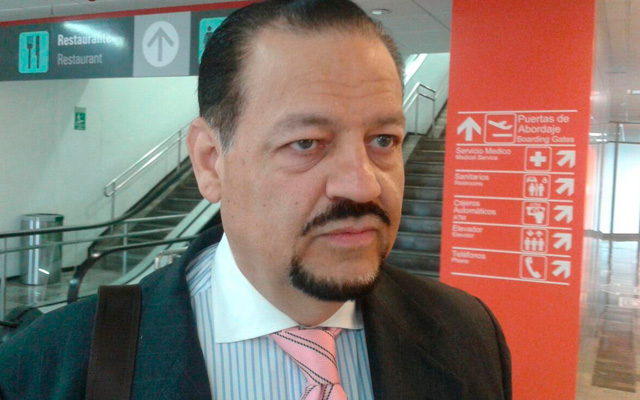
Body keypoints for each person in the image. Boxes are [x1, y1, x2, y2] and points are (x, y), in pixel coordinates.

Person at [0, 0, 511, 399]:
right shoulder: (51, 365)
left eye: (383, 140)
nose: (363, 186)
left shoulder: (466, 334)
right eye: (306, 143)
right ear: (210, 162)